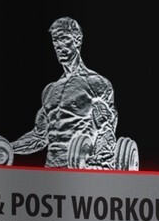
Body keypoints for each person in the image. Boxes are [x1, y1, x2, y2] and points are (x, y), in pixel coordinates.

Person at [11, 16, 118, 168]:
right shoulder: (49, 91)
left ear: (77, 40)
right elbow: (38, 137)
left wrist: (96, 165)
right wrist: (5, 147)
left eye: (64, 39)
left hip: (81, 172)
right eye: (55, 40)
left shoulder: (97, 83)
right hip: (51, 171)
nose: (58, 46)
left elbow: (107, 131)